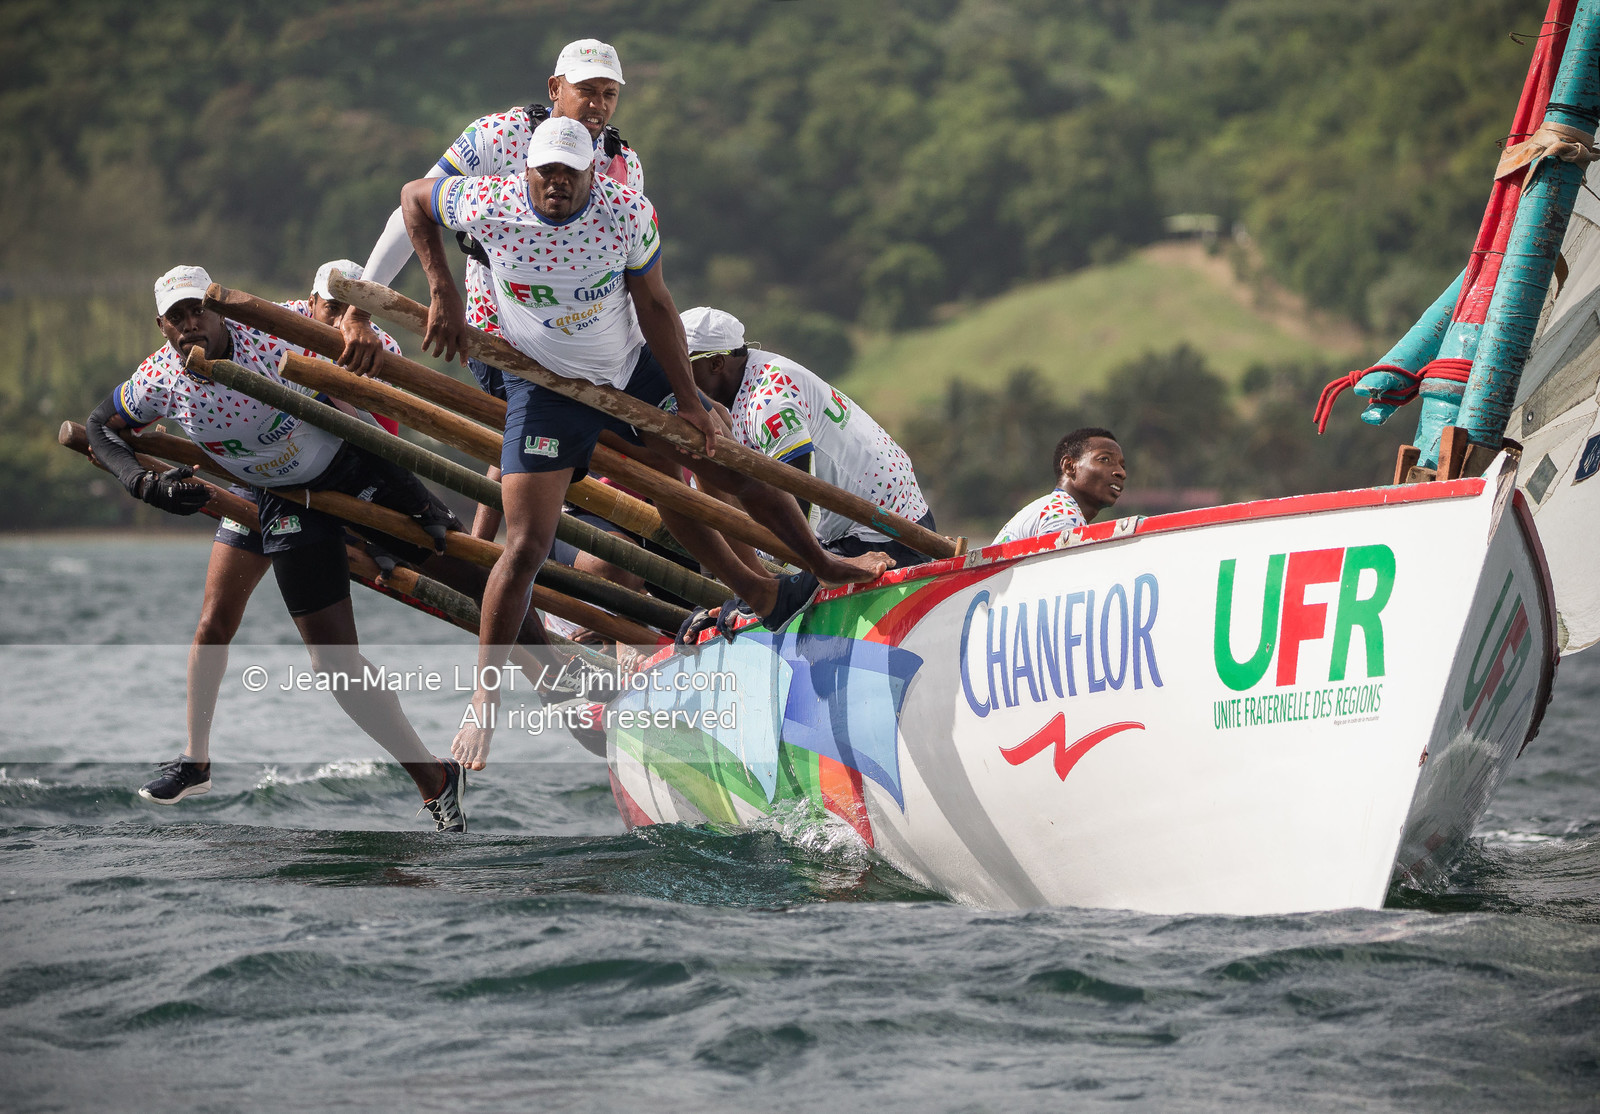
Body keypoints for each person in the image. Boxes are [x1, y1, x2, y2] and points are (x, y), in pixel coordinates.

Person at [401, 115, 891, 772]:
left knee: (723, 469)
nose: (555, 185)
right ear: (526, 171)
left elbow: (656, 305)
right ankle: (482, 704)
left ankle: (802, 576)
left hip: (632, 368)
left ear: (589, 175)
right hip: (545, 388)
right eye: (545, 171)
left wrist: (689, 400)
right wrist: (442, 290)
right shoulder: (486, 200)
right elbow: (413, 199)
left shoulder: (625, 211)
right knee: (523, 548)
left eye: (569, 174)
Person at [85, 265, 470, 831]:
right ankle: (199, 761)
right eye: (177, 317)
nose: (191, 324)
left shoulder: (278, 327)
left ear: (220, 310)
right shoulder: (159, 376)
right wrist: (144, 484)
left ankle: (558, 675)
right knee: (294, 650)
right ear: (162, 327)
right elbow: (100, 426)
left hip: (345, 469)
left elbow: (374, 372)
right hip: (271, 494)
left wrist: (359, 327)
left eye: (199, 311)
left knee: (474, 575)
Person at [679, 307, 935, 570]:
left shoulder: (769, 401)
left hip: (886, 533)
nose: (675, 379)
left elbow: (803, 507)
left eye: (681, 366)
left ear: (716, 364)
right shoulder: (735, 387)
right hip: (847, 529)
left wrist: (772, 576)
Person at [993, 427, 1126, 543]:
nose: (1121, 472)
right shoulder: (1064, 515)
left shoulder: (1049, 507)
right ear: (1069, 466)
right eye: (1104, 459)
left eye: (1122, 466)